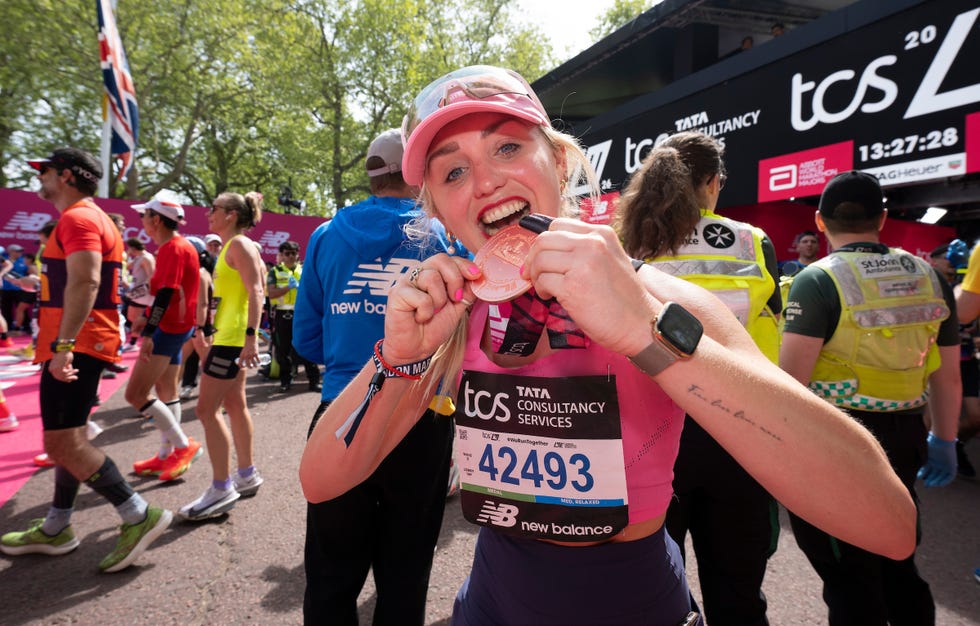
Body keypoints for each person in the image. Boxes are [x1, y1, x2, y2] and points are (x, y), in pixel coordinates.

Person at [299, 65, 916, 625]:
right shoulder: (455, 318)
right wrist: (400, 360)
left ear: (559, 163)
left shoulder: (660, 300)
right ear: (437, 208)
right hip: (488, 606)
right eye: (453, 170)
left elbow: (888, 525)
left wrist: (648, 335)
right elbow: (323, 480)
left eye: (507, 147)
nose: (485, 181)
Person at [779, 170, 960, 625]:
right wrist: (945, 440)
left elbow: (790, 385)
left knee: (848, 576)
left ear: (819, 222)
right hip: (907, 437)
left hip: (837, 440)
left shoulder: (817, 280)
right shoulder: (931, 277)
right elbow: (949, 376)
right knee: (898, 556)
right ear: (882, 218)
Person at [616, 130, 781, 626]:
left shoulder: (623, 240)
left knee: (658, 592)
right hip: (737, 429)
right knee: (738, 591)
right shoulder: (752, 242)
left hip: (647, 436)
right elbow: (767, 345)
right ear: (711, 183)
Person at [293, 128, 457, 625]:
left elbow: (306, 339)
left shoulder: (325, 235)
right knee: (406, 571)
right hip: (422, 418)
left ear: (369, 174)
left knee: (330, 572)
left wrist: (352, 359)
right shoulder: (443, 234)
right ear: (413, 172)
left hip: (343, 412)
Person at [1, 147, 171, 572]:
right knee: (70, 440)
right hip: (81, 342)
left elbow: (86, 280)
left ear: (67, 177)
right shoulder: (88, 218)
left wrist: (62, 347)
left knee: (61, 442)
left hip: (76, 345)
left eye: (46, 172)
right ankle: (57, 526)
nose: (40, 179)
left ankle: (137, 514)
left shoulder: (78, 218)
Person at [179, 191, 266, 521]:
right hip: (228, 338)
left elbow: (256, 291)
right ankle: (245, 474)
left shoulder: (240, 245)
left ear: (231, 214)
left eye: (214, 209)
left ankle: (221, 487)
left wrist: (250, 338)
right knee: (234, 405)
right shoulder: (234, 246)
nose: (208, 214)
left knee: (205, 410)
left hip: (233, 340)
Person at [124, 199, 203, 482]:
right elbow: (167, 292)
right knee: (167, 390)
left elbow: (167, 294)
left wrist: (148, 332)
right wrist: (147, 318)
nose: (142, 220)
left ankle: (182, 446)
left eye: (145, 215)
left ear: (156, 220)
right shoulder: (178, 247)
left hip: (169, 329)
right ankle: (166, 454)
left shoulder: (173, 248)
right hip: (175, 326)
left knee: (135, 395)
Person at [266, 240, 320, 393]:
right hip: (282, 313)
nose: (290, 256)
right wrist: (287, 287)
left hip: (303, 313)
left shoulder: (305, 270)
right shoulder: (274, 271)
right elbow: (272, 294)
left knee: (308, 345)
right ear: (282, 255)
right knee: (283, 350)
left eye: (293, 253)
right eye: (287, 253)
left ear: (298, 254)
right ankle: (286, 381)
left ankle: (314, 381)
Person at [177, 236, 215, 400]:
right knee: (179, 362)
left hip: (199, 326)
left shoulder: (200, 273)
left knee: (208, 364)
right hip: (193, 326)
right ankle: (167, 398)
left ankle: (219, 398)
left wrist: (199, 328)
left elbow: (203, 303)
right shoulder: (196, 272)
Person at [955, 240, 980, 478]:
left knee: (975, 417)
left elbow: (964, 312)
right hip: (945, 358)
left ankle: (955, 445)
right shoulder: (933, 283)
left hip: (967, 359)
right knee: (932, 421)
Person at [122, 237, 156, 351]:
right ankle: (136, 341)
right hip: (137, 294)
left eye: (129, 248)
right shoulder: (138, 258)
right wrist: (127, 255)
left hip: (143, 295)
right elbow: (125, 266)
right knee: (132, 318)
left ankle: (134, 343)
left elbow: (151, 275)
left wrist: (144, 289)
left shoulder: (146, 258)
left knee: (136, 319)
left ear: (133, 247)